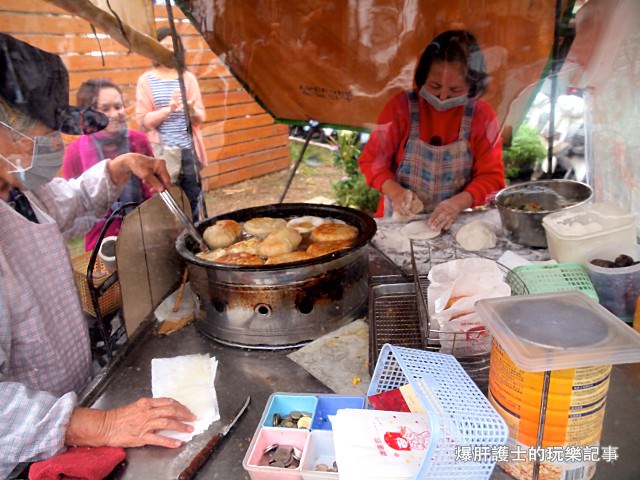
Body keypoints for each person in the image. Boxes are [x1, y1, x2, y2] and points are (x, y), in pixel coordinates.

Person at [0, 34, 195, 477]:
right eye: (43, 134)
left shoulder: (22, 187)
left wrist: (120, 166)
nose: (56, 143)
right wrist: (101, 423)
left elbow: (67, 201)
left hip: (74, 404)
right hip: (24, 457)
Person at [358, 30, 506, 230]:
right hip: (399, 220)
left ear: (472, 85)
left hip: (455, 222)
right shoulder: (401, 107)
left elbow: (492, 177)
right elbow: (373, 161)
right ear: (422, 77)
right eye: (435, 86)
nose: (443, 96)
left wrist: (457, 203)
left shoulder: (482, 116)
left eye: (455, 90)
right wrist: (396, 192)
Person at [64, 79, 155, 252]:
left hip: (144, 235)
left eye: (118, 106)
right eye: (105, 109)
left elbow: (151, 189)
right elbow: (76, 209)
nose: (115, 113)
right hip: (101, 245)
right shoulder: (75, 152)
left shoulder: (138, 141)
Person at [136, 27, 206, 221]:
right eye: (164, 46)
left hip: (188, 151)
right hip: (162, 153)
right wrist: (168, 110)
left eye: (172, 46)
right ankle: (173, 242)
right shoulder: (146, 80)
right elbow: (143, 120)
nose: (168, 50)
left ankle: (195, 238)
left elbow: (201, 117)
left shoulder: (187, 78)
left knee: (193, 198)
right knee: (168, 202)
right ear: (155, 49)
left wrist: (191, 110)